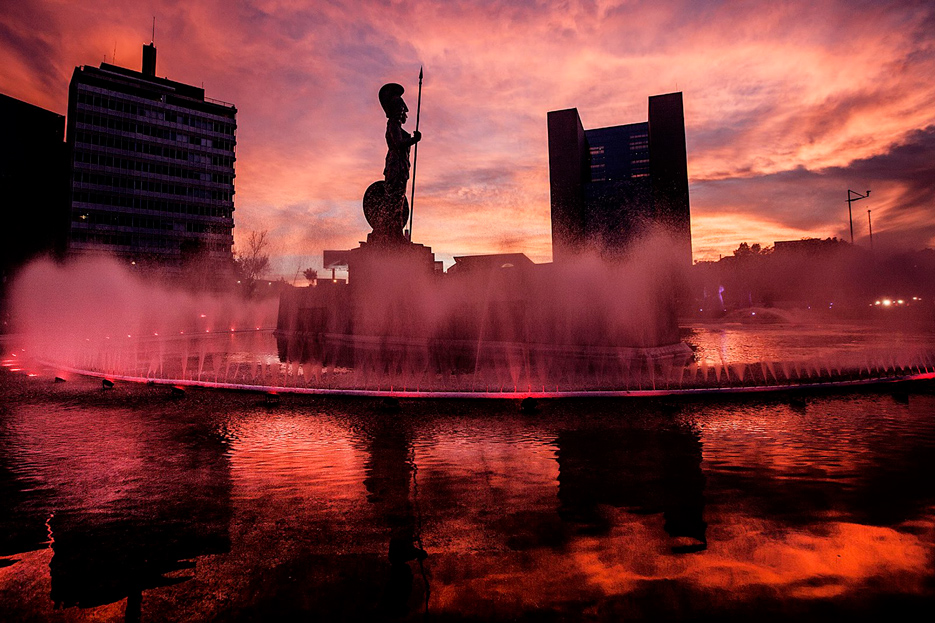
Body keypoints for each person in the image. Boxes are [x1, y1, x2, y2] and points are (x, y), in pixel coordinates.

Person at [378, 83, 421, 235]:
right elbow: (397, 144)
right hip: (395, 165)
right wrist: (413, 140)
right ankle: (386, 230)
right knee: (393, 197)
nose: (404, 112)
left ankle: (394, 230)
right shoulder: (392, 125)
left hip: (401, 166)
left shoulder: (396, 125)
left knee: (398, 198)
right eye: (402, 109)